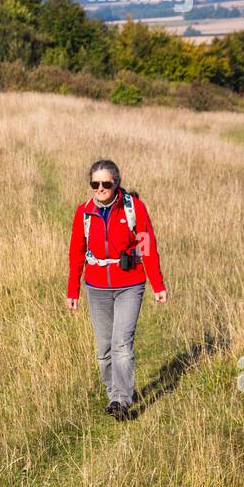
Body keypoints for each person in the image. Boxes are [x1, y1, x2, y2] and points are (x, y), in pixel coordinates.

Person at [66, 159, 167, 419]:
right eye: (95, 183)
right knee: (103, 349)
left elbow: (147, 247)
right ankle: (113, 394)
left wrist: (158, 285)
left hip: (130, 285)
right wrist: (72, 291)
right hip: (96, 287)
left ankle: (122, 400)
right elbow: (76, 253)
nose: (100, 188)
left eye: (106, 183)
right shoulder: (84, 213)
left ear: (116, 184)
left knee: (122, 343)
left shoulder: (134, 208)